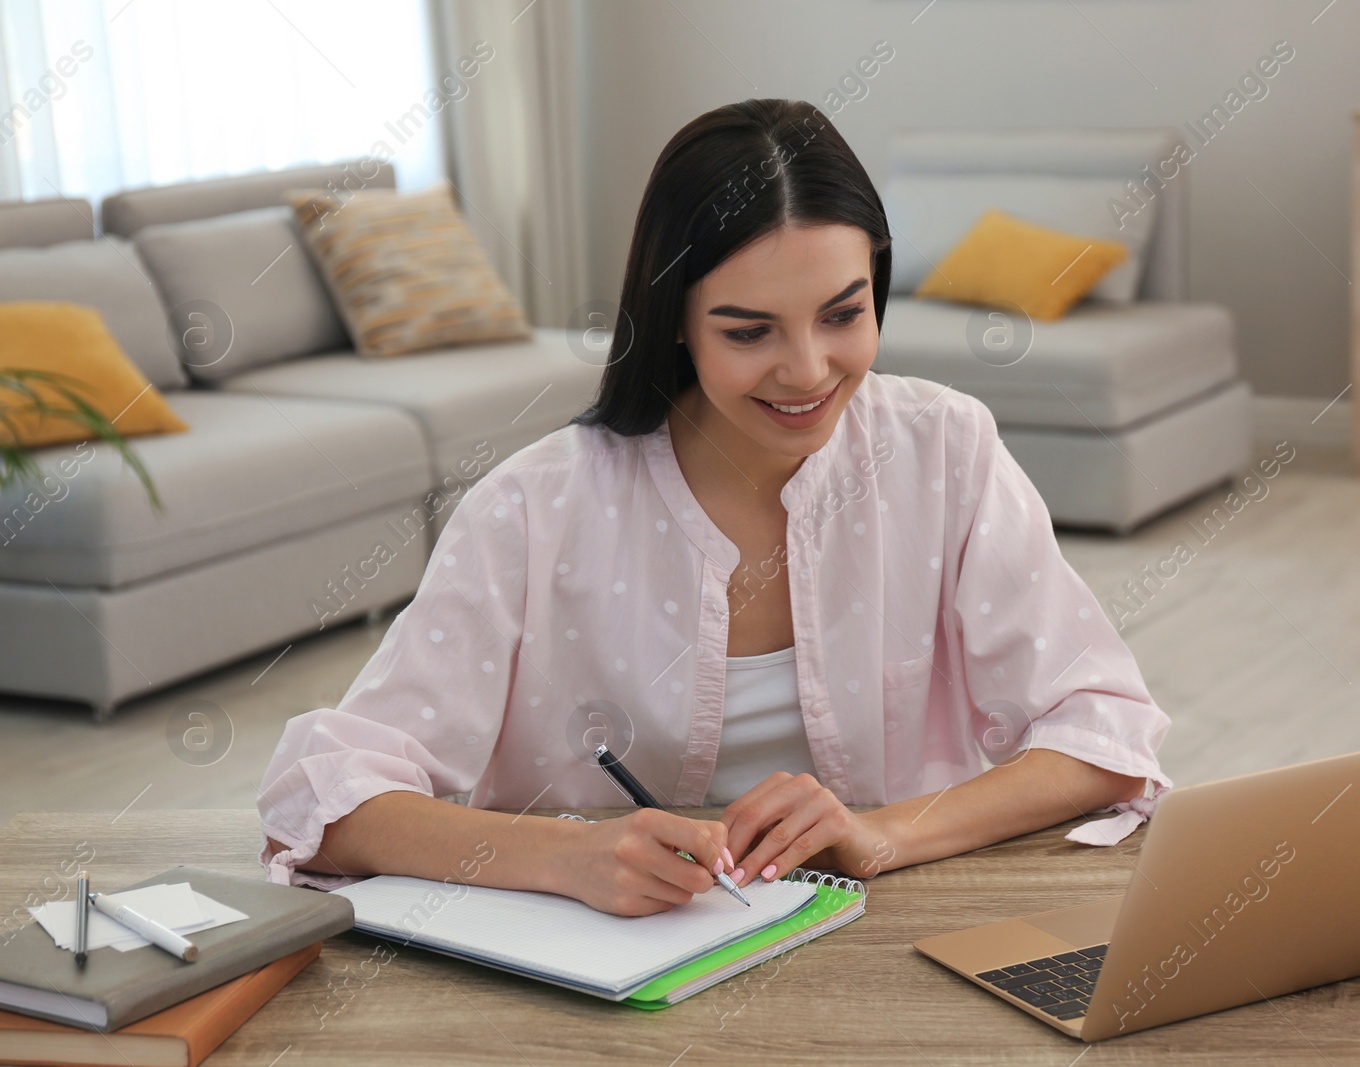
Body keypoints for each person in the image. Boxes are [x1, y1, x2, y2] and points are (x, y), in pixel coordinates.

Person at [257, 98, 1172, 917]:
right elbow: (324, 797)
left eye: (843, 314)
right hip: (603, 977)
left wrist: (884, 831)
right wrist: (569, 852)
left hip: (888, 948)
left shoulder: (946, 449)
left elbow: (1105, 731)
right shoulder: (533, 511)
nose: (809, 371)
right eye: (749, 332)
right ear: (676, 322)